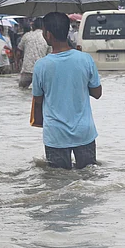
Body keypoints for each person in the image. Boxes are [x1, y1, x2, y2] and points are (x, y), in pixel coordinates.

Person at [32, 12, 102, 170]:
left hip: (55, 135)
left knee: (58, 184)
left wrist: (42, 126)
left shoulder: (41, 66)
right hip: (84, 132)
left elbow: (38, 102)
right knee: (89, 178)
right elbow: (97, 93)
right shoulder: (85, 59)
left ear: (48, 35)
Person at [18, 17, 50, 88]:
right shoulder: (47, 37)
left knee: (22, 90)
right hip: (41, 71)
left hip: (27, 69)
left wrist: (18, 64)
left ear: (33, 26)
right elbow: (50, 55)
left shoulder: (26, 36)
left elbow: (19, 50)